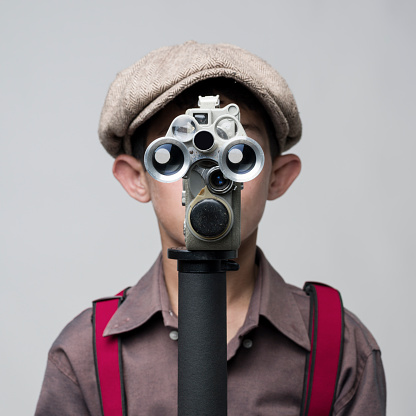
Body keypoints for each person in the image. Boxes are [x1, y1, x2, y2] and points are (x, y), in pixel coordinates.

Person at [35, 41, 386, 415]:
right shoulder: (82, 356)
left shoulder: (344, 350)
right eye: (176, 152)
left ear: (277, 178)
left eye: (237, 150)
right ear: (137, 178)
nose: (205, 172)